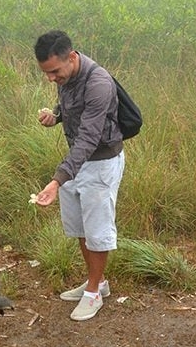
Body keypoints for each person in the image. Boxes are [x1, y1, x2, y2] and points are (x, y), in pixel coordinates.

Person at [33, 30, 125, 321]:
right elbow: (71, 107)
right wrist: (56, 116)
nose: (51, 78)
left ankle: (94, 293)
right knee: (81, 227)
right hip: (77, 163)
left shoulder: (99, 82)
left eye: (55, 71)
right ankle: (96, 283)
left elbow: (88, 137)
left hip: (100, 163)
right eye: (46, 73)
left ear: (71, 57)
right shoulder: (68, 75)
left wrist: (58, 178)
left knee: (97, 231)